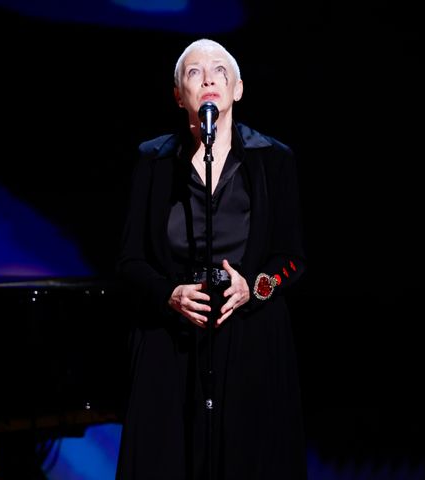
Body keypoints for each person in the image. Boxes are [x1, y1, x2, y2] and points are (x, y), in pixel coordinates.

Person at [115, 38, 308, 480]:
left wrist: (253, 289)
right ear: (178, 95)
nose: (207, 79)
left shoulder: (272, 158)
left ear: (237, 89)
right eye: (194, 72)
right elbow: (129, 259)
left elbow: (293, 258)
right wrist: (169, 293)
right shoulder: (153, 159)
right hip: (171, 338)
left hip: (249, 335)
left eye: (219, 70)